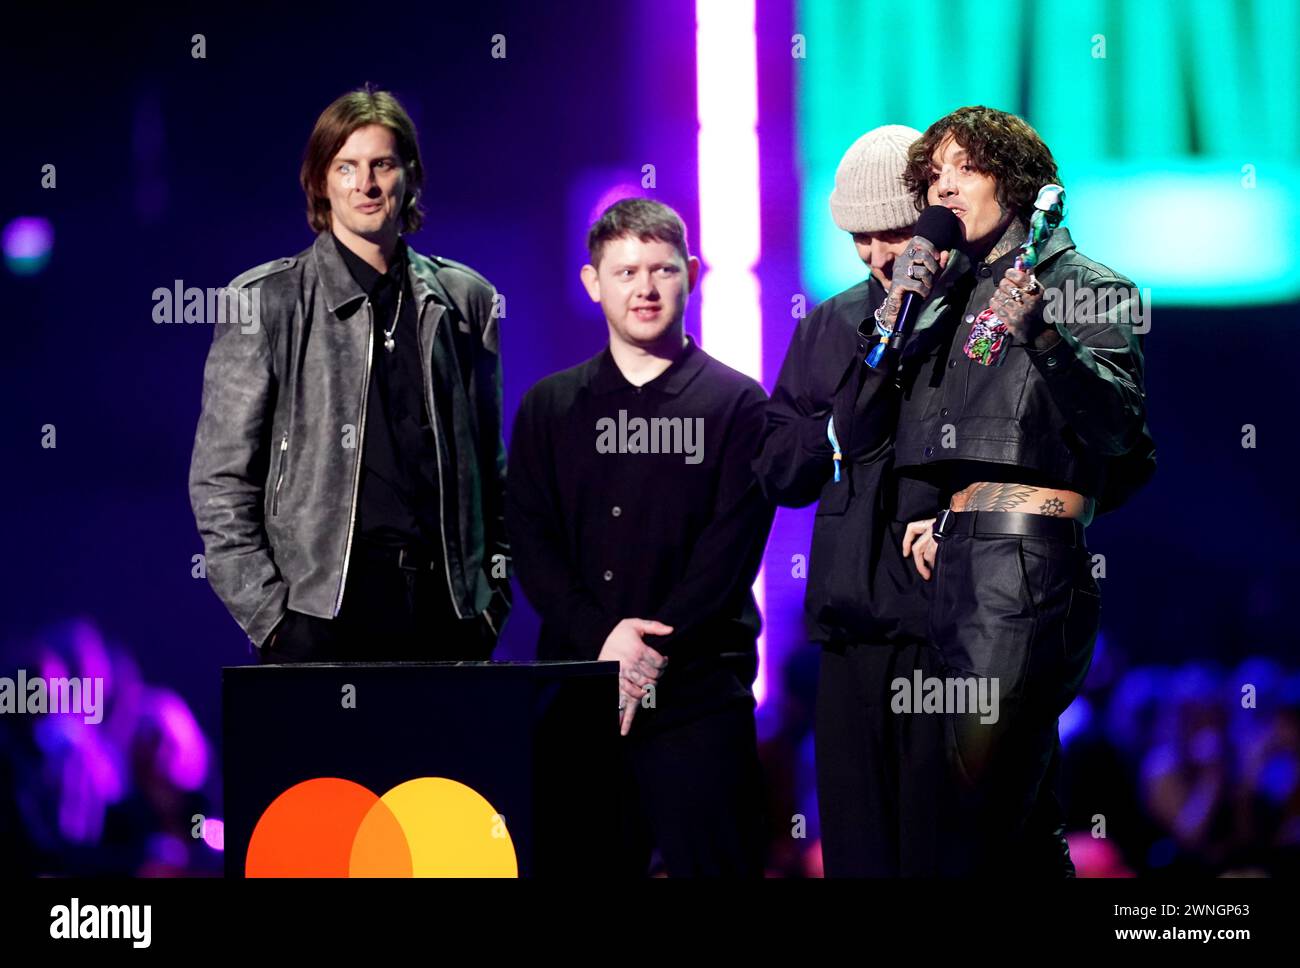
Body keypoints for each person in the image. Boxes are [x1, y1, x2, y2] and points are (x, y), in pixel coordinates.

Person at [889, 105, 1156, 875]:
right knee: (1007, 821)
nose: (944, 188)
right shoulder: (953, 298)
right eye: (933, 175)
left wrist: (1043, 333)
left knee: (977, 813)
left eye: (963, 169)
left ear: (1016, 180)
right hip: (959, 566)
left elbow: (1117, 427)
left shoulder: (1085, 286)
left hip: (1026, 572)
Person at [189, 86, 509, 663]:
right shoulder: (265, 301)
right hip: (320, 617)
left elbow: (492, 470)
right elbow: (219, 481)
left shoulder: (467, 300)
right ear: (321, 180)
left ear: (408, 175)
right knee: (330, 760)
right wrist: (274, 622)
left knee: (443, 757)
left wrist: (491, 603)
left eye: (382, 164)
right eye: (347, 166)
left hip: (447, 614)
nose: (365, 184)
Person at [506, 198, 774, 876]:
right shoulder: (548, 408)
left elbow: (730, 551)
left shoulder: (738, 405)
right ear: (593, 283)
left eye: (661, 270)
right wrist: (603, 640)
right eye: (625, 273)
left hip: (698, 702)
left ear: (689, 274)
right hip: (576, 699)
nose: (645, 289)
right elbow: (530, 542)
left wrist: (645, 648)